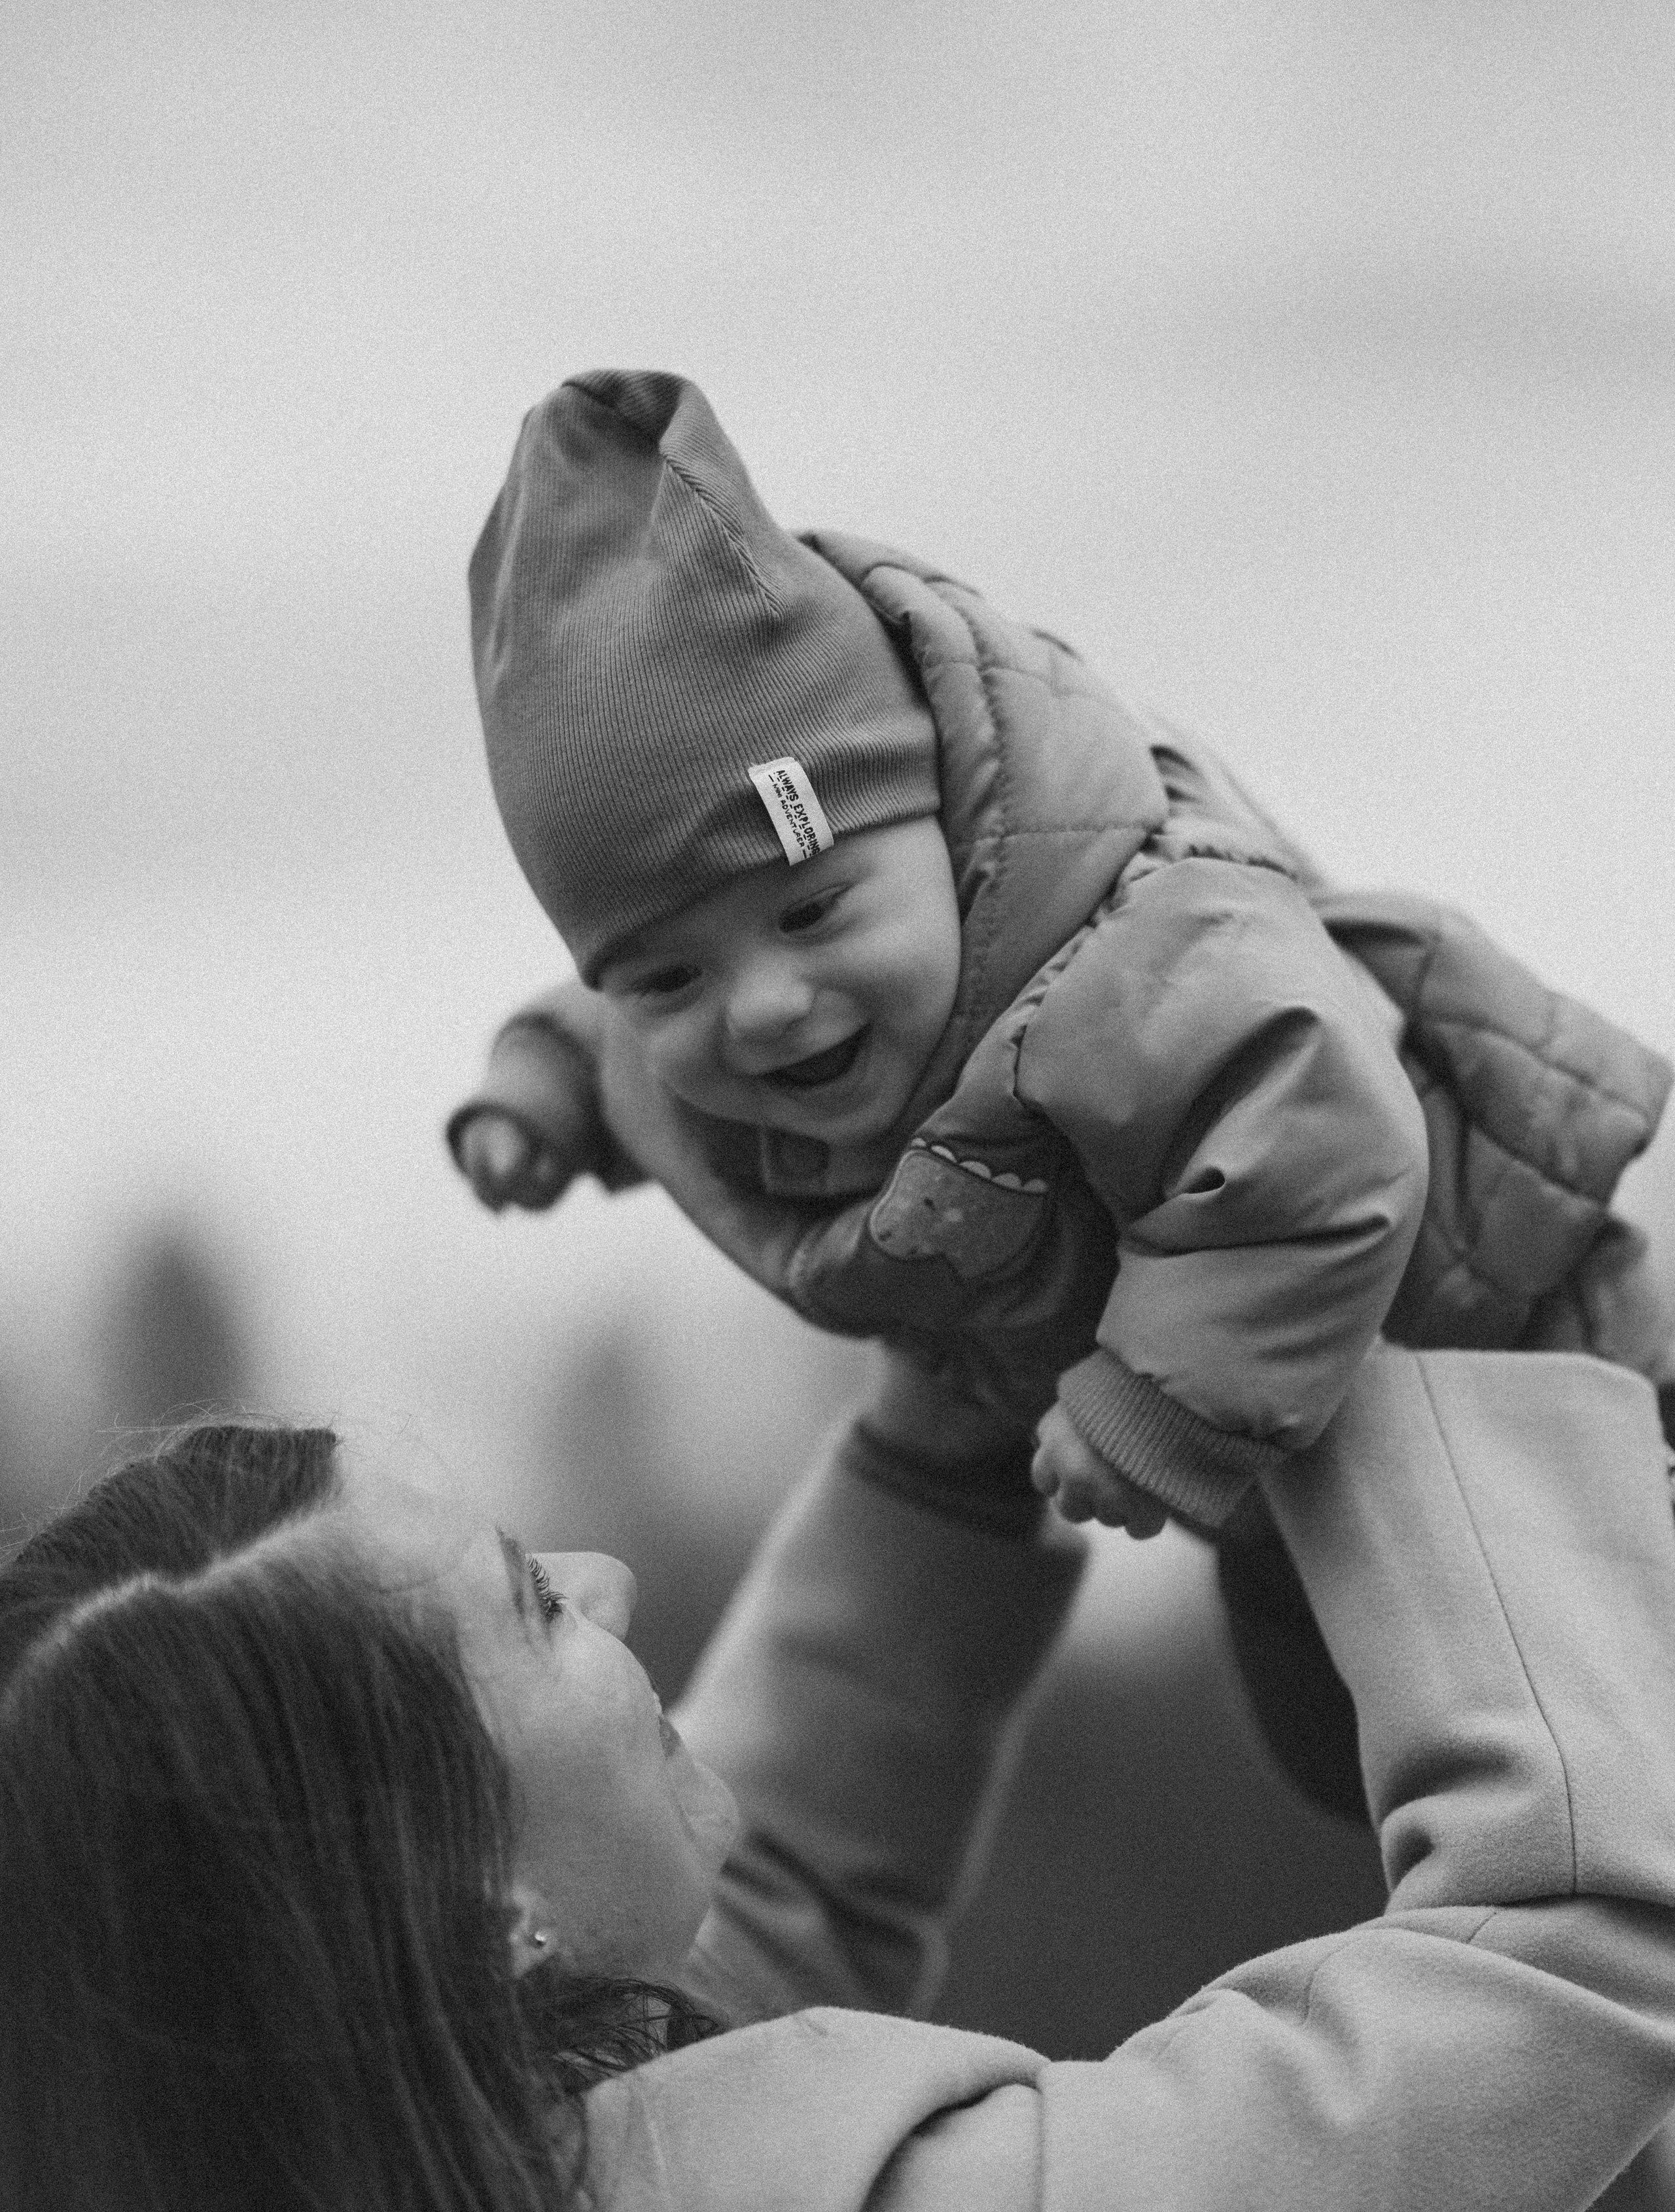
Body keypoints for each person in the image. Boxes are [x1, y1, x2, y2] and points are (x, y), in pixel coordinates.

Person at [5, 1341, 1675, 2212]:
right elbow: (1566, 1935)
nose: (611, 1577)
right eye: (527, 1603)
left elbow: (725, 1964)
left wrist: (961, 1411)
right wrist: (1400, 1336)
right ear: (461, 1903)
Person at [449, 368, 1674, 1549]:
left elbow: (1331, 1143)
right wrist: (545, 1085)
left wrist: (1154, 1400)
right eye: (669, 976)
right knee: (1322, 1727)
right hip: (1284, 1442)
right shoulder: (745, 994)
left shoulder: (1146, 955)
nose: (763, 1006)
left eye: (816, 912)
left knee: (1545, 1701)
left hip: (1503, 1352)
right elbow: (612, 1026)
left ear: (941, 826)